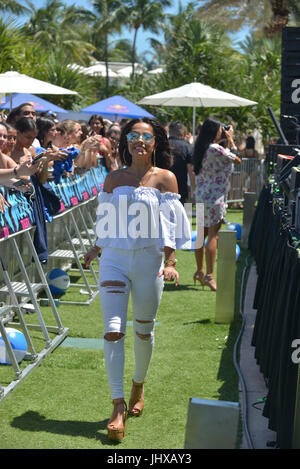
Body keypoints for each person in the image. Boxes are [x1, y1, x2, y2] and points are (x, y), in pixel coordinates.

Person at [83, 117, 191, 441]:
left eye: (146, 136)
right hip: (114, 259)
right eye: (133, 136)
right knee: (113, 331)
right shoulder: (114, 178)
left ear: (155, 141)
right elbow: (106, 221)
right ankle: (117, 405)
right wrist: (94, 249)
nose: (139, 141)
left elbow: (170, 224)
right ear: (126, 141)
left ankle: (138, 384)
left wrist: (171, 260)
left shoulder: (166, 178)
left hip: (148, 262)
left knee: (143, 330)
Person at [193, 117, 241, 291]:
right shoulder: (216, 148)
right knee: (213, 235)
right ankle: (210, 276)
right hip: (215, 198)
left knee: (201, 234)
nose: (224, 131)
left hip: (200, 196)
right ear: (215, 132)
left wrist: (225, 141)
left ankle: (199, 271)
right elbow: (238, 159)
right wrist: (231, 140)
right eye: (221, 129)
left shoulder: (202, 147)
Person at [168, 120, 195, 204]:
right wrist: (194, 190)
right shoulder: (187, 147)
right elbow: (191, 171)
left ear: (169, 132)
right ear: (183, 133)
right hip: (181, 188)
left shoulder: (161, 145)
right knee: (185, 215)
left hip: (162, 188)